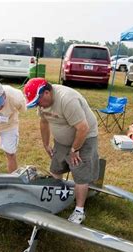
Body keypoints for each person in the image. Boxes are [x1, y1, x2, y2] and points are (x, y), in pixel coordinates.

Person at [24, 78, 99, 224]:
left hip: (84, 138)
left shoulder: (67, 100)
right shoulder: (43, 103)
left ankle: (79, 210)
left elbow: (83, 128)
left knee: (80, 175)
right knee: (55, 170)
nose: (38, 105)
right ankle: (54, 199)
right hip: (61, 141)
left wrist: (75, 149)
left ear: (46, 93)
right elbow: (44, 122)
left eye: (37, 101)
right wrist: (46, 143)